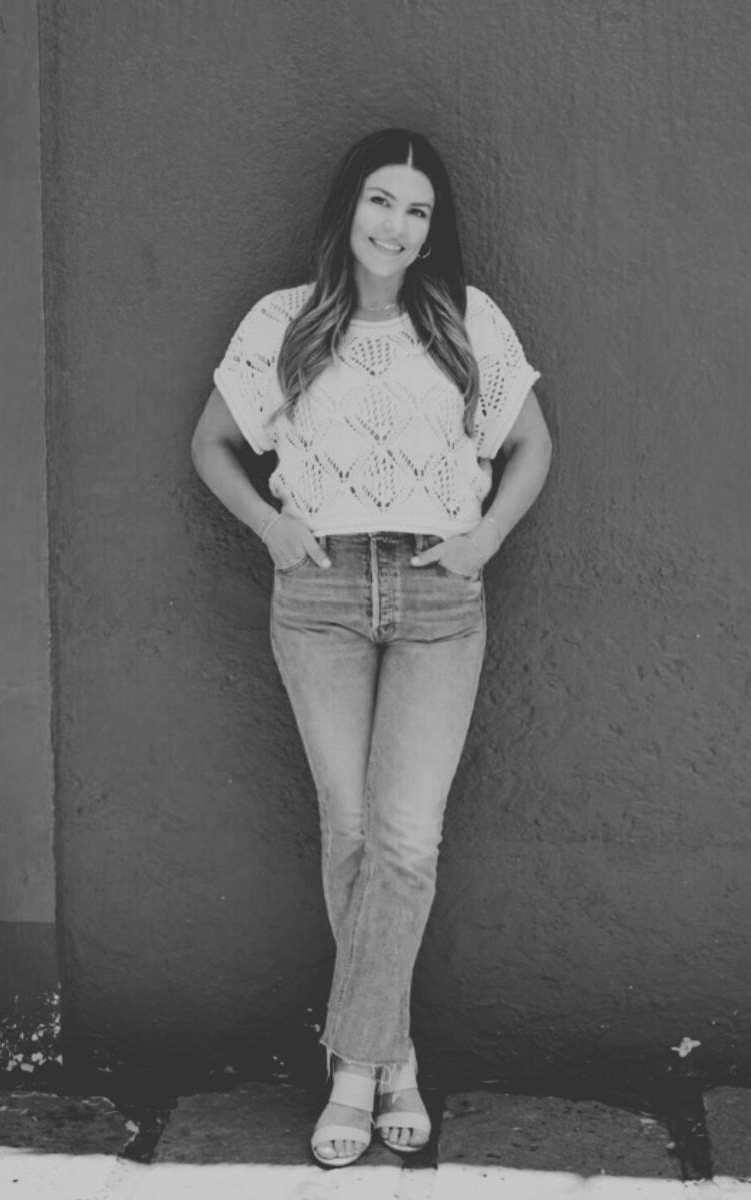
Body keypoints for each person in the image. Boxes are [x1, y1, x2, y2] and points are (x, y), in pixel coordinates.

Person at [191, 128, 552, 1168]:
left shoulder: (464, 320)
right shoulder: (285, 322)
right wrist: (269, 528)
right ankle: (392, 1057)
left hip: (440, 597)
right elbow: (211, 444)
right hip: (320, 594)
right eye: (381, 201)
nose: (395, 226)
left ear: (433, 231)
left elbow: (530, 445)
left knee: (403, 837)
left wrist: (484, 536)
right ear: (347, 205)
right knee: (349, 830)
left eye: (417, 211)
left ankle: (352, 1069)